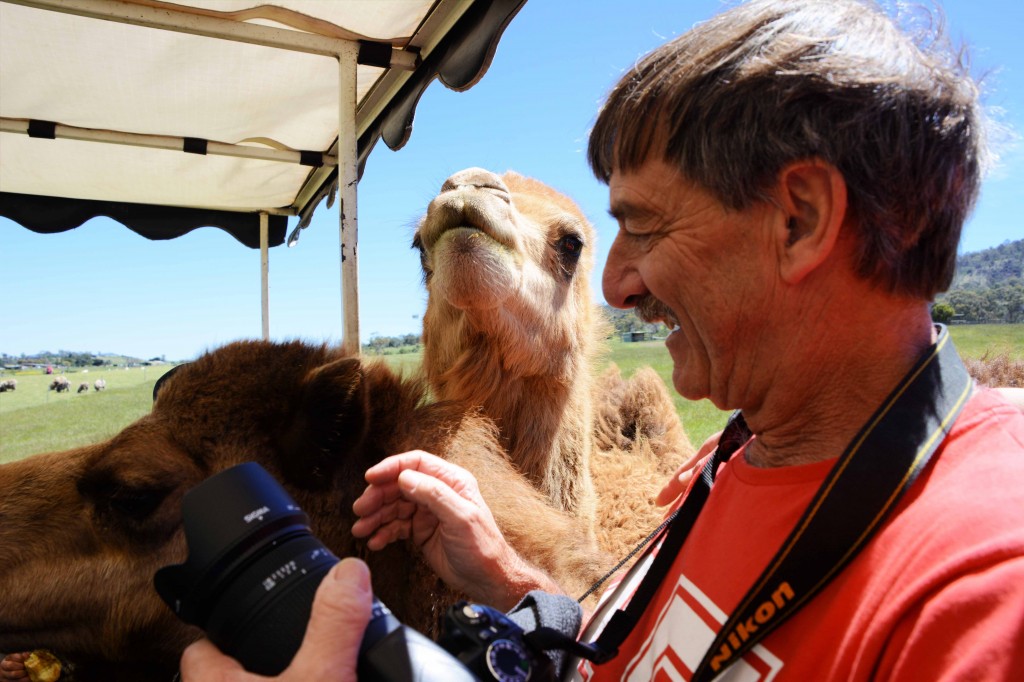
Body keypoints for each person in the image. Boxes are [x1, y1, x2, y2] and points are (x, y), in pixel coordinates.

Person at [172, 0, 1024, 679]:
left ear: (798, 221)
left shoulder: (975, 593)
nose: (617, 286)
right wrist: (510, 578)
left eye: (645, 229)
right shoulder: (718, 470)